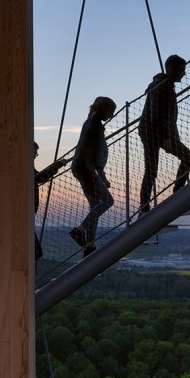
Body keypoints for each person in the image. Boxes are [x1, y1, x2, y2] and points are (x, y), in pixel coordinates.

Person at [138, 55, 190, 212]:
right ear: (171, 69)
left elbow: (161, 115)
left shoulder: (162, 85)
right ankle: (177, 191)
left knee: (151, 169)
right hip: (155, 133)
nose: (184, 73)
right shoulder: (163, 86)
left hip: (150, 132)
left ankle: (144, 205)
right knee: (188, 158)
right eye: (182, 70)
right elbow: (157, 114)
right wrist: (166, 138)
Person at [70, 96, 116, 257]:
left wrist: (101, 175)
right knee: (108, 201)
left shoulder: (90, 122)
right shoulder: (95, 125)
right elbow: (89, 151)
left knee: (96, 204)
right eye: (111, 111)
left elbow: (90, 150)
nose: (111, 116)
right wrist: (95, 174)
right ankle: (79, 230)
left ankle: (89, 245)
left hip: (82, 167)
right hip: (86, 168)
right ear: (104, 108)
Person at [32, 141, 69, 260]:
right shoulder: (24, 166)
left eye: (35, 154)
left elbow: (39, 177)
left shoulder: (23, 165)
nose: (34, 156)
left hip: (26, 210)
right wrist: (57, 165)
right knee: (35, 251)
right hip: (25, 211)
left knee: (35, 251)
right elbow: (40, 177)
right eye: (34, 153)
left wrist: (56, 165)